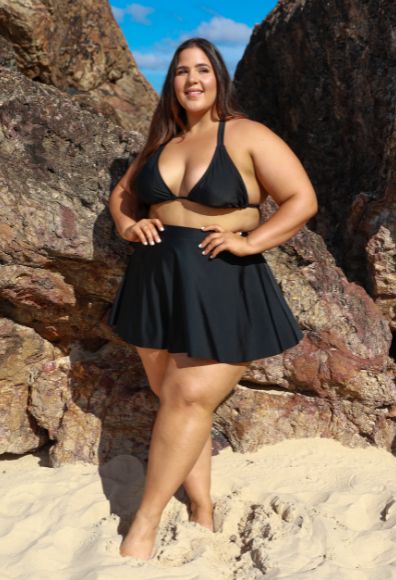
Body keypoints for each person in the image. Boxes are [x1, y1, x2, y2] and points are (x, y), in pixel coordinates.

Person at [106, 37, 318, 560]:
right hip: (155, 279)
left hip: (223, 280)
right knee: (177, 404)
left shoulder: (246, 134)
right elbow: (123, 195)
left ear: (218, 78)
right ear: (171, 83)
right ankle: (201, 507)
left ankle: (145, 524)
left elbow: (301, 199)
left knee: (189, 398)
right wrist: (129, 225)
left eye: (202, 69)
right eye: (181, 71)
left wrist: (250, 241)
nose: (192, 79)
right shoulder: (162, 142)